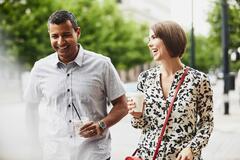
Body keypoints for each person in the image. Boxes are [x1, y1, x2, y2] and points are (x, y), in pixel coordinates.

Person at [24, 10, 128, 160]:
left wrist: (101, 125)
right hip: (55, 154)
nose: (60, 42)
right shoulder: (40, 68)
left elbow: (122, 106)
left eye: (66, 35)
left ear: (77, 32)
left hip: (93, 154)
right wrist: (33, 144)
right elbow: (30, 107)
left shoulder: (102, 65)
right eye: (54, 36)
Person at [127, 21, 214, 160]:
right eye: (149, 39)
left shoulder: (198, 80)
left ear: (170, 39)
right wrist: (137, 115)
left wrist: (192, 148)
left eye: (154, 37)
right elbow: (140, 125)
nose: (149, 44)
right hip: (148, 156)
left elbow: (206, 122)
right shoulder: (145, 78)